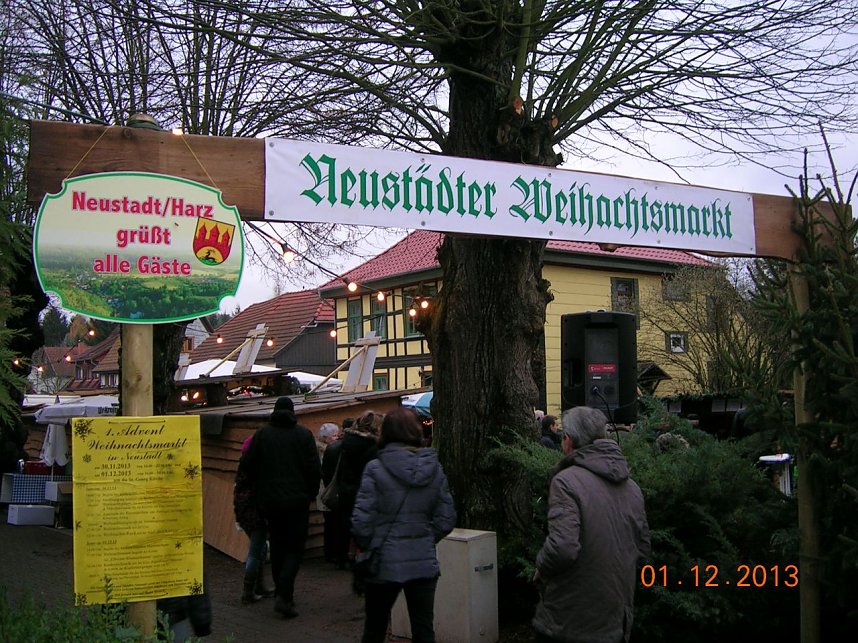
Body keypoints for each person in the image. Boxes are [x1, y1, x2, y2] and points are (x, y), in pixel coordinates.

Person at [532, 406, 650, 643]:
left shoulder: (565, 482)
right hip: (616, 618)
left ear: (568, 440)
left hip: (570, 620)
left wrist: (541, 567)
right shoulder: (632, 487)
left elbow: (563, 547)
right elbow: (643, 548)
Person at [351, 407, 456, 643]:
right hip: (423, 561)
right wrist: (425, 538)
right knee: (423, 629)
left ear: (385, 432)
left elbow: (361, 520)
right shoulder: (434, 469)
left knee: (374, 629)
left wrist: (371, 543)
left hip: (384, 561)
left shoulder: (375, 468)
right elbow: (446, 518)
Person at [237, 396, 321, 619]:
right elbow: (314, 469)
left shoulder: (262, 435)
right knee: (294, 548)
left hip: (269, 502)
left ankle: (281, 593)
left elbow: (247, 465)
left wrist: (259, 489)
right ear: (293, 412)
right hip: (297, 502)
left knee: (277, 546)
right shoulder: (303, 435)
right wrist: (310, 494)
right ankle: (285, 592)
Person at [329, 410, 383, 567]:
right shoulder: (373, 447)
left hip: (346, 489)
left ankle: (342, 556)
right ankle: (358, 557)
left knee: (345, 524)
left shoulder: (346, 444)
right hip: (362, 489)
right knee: (362, 524)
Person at [233, 433, 275, 604]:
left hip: (245, 513)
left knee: (260, 549)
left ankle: (259, 586)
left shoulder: (243, 467)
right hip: (257, 513)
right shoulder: (260, 468)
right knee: (255, 551)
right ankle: (248, 591)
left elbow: (238, 493)